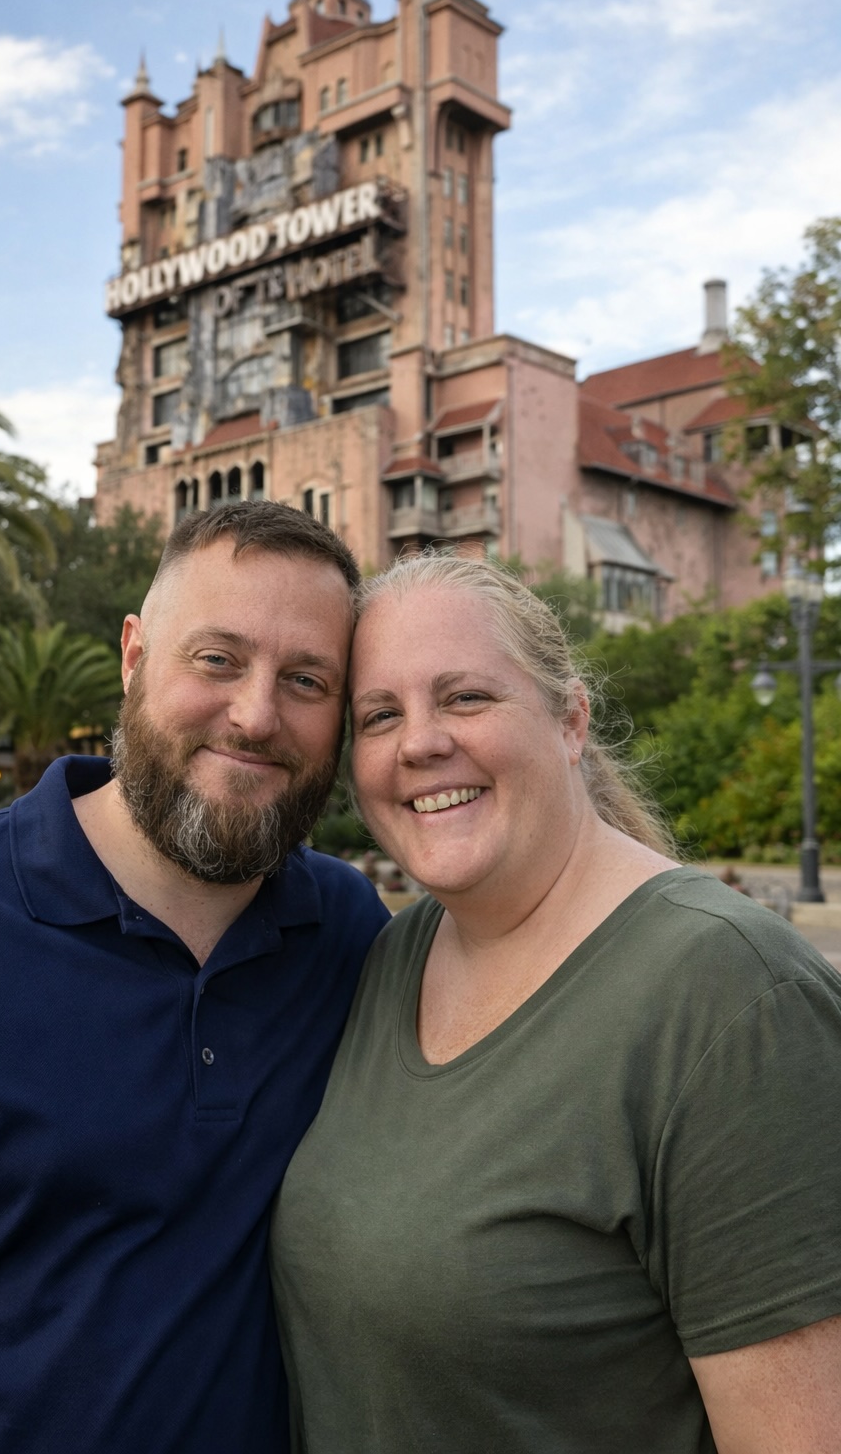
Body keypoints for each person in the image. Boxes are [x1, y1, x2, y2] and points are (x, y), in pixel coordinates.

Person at [0, 502, 388, 1454]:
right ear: (133, 656)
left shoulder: (351, 936)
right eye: (217, 659)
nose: (255, 714)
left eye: (305, 679)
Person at [270, 552, 841, 1454]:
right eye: (381, 715)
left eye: (464, 698)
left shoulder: (732, 997)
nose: (420, 742)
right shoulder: (390, 960)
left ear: (570, 720)